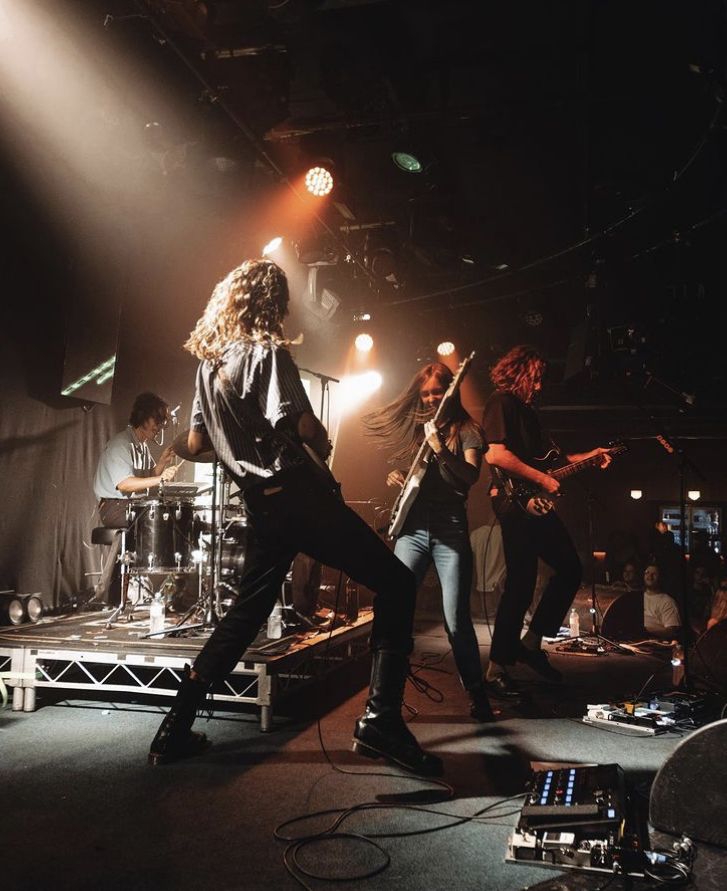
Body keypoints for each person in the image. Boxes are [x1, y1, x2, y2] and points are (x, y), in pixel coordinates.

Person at [148, 258, 441, 776]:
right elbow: (302, 425)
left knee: (245, 613)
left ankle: (174, 728)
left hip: (261, 504)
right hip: (297, 496)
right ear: (272, 303)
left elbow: (195, 443)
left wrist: (229, 440)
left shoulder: (208, 366)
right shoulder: (267, 351)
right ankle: (381, 721)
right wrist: (321, 437)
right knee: (395, 584)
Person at [363, 362, 494, 722]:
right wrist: (398, 475)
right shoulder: (418, 428)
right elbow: (415, 476)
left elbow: (468, 477)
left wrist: (440, 449)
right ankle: (383, 700)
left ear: (449, 390)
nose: (431, 398)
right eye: (425, 393)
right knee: (394, 609)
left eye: (437, 391)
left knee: (456, 622)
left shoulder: (468, 429)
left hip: (450, 530)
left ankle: (477, 695)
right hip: (413, 531)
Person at [480, 345, 613, 699]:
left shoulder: (529, 414)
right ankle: (496, 669)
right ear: (520, 373)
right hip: (513, 502)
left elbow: (553, 462)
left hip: (534, 500)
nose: (538, 387)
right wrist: (541, 480)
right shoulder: (501, 402)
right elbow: (496, 453)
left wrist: (591, 456)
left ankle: (531, 642)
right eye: (535, 379)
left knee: (570, 568)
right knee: (520, 583)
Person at [93, 392, 179, 602]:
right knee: (151, 520)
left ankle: (152, 587)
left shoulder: (140, 446)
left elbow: (148, 476)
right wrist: (160, 480)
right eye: (157, 420)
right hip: (113, 506)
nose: (159, 426)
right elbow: (125, 484)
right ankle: (112, 592)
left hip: (129, 505)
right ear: (143, 416)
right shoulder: (121, 444)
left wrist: (161, 463)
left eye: (162, 422)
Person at [642, 563, 682, 640]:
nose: (650, 576)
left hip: (654, 644)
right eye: (647, 573)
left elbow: (671, 631)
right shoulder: (637, 597)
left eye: (654, 574)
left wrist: (646, 630)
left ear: (660, 577)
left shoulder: (667, 601)